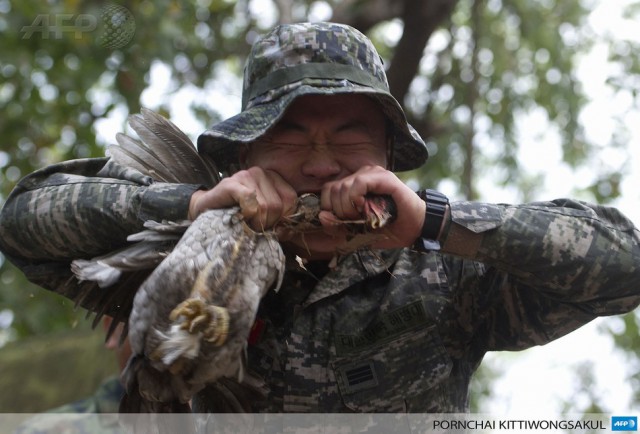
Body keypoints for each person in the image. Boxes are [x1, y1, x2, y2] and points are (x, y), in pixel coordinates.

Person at [1, 21, 639, 413]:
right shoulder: (187, 240)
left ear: (389, 154)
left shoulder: (442, 269)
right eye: (289, 134)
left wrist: (436, 226)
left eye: (349, 135)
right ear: (245, 153)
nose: (320, 163)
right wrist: (190, 206)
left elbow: (625, 267)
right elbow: (23, 223)